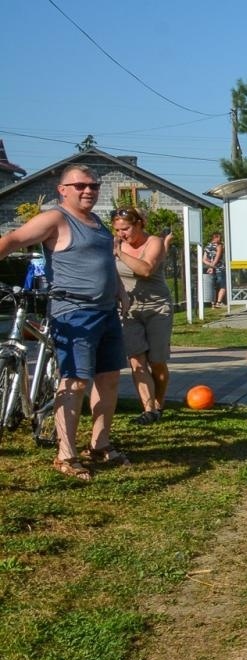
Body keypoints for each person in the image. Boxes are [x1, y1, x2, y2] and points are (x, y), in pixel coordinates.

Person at [0, 164, 128, 480]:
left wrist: (120, 290)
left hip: (106, 312)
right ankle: (66, 455)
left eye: (94, 186)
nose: (89, 190)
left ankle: (99, 444)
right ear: (63, 189)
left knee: (108, 378)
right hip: (74, 313)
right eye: (81, 185)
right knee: (74, 382)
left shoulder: (97, 222)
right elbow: (12, 239)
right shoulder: (56, 218)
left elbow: (106, 263)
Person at [111, 207, 173, 424]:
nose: (121, 234)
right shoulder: (115, 244)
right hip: (128, 310)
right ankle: (148, 410)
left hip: (157, 308)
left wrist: (120, 253)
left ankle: (159, 403)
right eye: (117, 230)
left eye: (126, 229)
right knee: (136, 360)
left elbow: (146, 269)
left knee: (157, 361)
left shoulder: (153, 242)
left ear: (138, 224)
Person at [202, 232, 225, 308]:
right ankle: (219, 302)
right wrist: (213, 266)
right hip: (219, 268)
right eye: (219, 238)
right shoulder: (219, 246)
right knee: (222, 285)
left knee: (213, 286)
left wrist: (209, 265)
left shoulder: (207, 247)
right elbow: (217, 258)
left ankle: (213, 303)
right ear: (216, 237)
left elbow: (204, 259)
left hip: (210, 269)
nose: (220, 239)